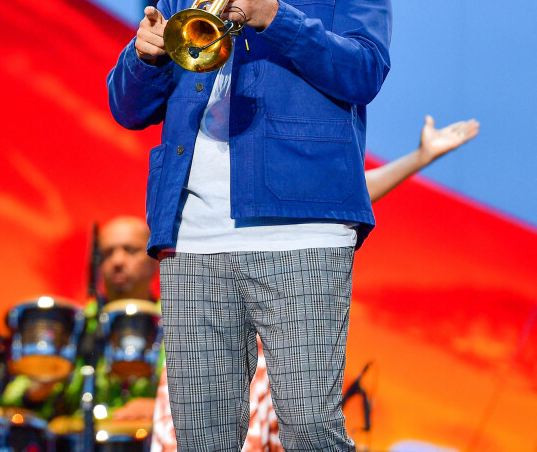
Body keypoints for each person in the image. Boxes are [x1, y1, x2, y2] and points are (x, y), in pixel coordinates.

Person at [108, 0, 393, 452]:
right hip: (194, 236)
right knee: (201, 437)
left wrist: (274, 17)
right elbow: (128, 111)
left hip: (302, 228)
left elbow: (364, 70)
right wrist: (144, 55)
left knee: (312, 431)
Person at [149, 114, 480, 452]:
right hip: (216, 313)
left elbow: (342, 197)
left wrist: (419, 158)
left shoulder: (286, 164)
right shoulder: (195, 186)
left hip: (281, 328)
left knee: (309, 426)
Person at [0, 216, 162, 423]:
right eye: (107, 253)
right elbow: (13, 401)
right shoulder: (78, 323)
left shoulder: (177, 325)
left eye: (130, 250)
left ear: (155, 260)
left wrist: (163, 408)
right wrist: (37, 391)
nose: (118, 261)